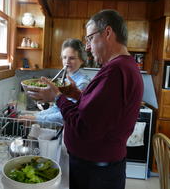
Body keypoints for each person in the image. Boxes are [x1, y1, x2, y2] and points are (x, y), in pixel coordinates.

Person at [26, 10, 144, 189]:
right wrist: (75, 94)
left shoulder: (115, 72)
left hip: (96, 174)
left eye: (89, 39)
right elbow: (96, 112)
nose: (87, 47)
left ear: (107, 33)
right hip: (99, 168)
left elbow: (84, 126)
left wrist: (57, 97)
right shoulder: (120, 67)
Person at [21, 38, 90, 124]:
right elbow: (57, 108)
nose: (67, 62)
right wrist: (36, 116)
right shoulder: (65, 80)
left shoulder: (82, 83)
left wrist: (37, 119)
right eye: (64, 57)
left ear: (81, 60)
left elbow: (65, 115)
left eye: (72, 58)